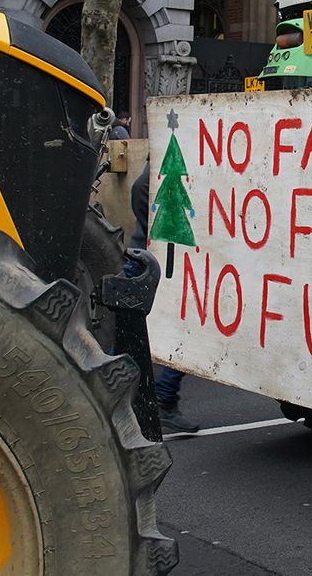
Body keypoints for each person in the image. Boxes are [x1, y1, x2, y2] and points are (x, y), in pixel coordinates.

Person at [131, 162, 199, 435]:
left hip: (151, 259)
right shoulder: (174, 158)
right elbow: (141, 188)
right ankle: (162, 399)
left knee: (133, 331)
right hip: (159, 261)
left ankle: (112, 397)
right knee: (188, 332)